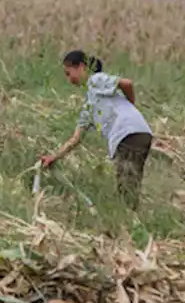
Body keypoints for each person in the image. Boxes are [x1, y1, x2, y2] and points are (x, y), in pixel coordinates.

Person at [39, 50, 155, 209]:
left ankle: (130, 223)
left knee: (127, 188)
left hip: (127, 133)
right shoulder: (89, 105)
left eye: (68, 73)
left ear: (81, 67)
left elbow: (127, 83)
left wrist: (131, 104)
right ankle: (132, 221)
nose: (69, 79)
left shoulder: (96, 79)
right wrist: (54, 157)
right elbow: (75, 139)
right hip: (139, 133)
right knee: (129, 184)